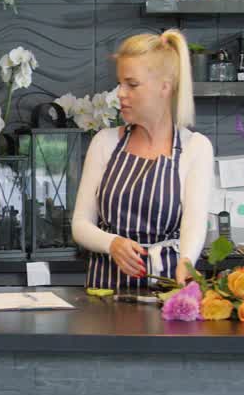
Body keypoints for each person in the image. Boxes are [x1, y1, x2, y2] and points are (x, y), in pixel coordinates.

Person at [72, 29, 214, 290]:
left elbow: (194, 223)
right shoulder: (105, 142)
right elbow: (80, 224)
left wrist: (187, 261)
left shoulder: (196, 148)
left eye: (132, 84)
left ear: (164, 87)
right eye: (120, 83)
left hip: (167, 291)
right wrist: (111, 243)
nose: (120, 93)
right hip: (105, 293)